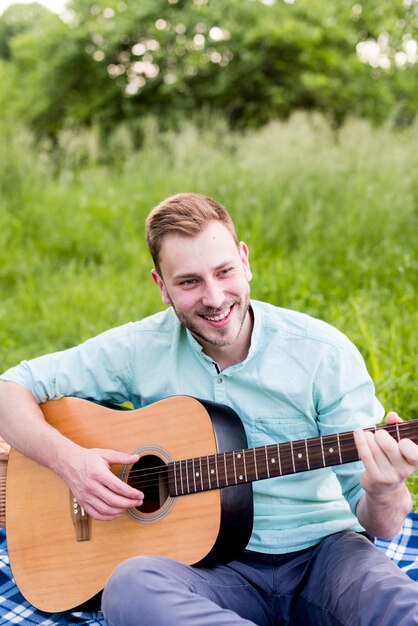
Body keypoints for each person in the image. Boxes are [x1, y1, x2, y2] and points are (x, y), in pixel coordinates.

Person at [1, 192, 418, 626]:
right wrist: (70, 462)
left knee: (404, 607)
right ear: (161, 287)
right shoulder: (138, 348)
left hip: (327, 558)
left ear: (245, 260)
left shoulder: (323, 353)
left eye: (224, 272)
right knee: (129, 586)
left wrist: (384, 490)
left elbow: (384, 527)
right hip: (208, 569)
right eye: (189, 282)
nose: (215, 298)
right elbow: (9, 389)